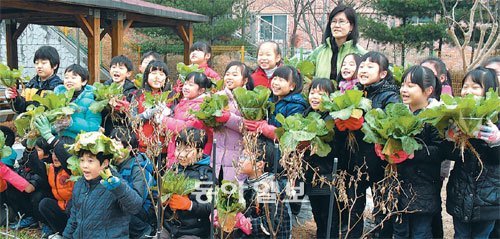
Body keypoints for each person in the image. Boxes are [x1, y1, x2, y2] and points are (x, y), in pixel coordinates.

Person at [445, 67, 499, 239]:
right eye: (465, 86)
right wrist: (450, 138)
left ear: (490, 91)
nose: (468, 91)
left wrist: (496, 142)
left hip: (488, 197)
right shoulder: (458, 115)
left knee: (482, 236)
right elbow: (449, 155)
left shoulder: (496, 118)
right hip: (461, 191)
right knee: (460, 234)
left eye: (475, 87)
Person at [392, 65, 443, 238]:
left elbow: (441, 151)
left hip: (424, 186)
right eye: (403, 85)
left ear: (428, 90)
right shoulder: (398, 113)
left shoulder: (435, 116)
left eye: (411, 85)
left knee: (420, 232)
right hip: (399, 184)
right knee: (399, 231)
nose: (404, 90)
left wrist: (415, 152)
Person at [63, 132, 143, 238]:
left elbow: (135, 207)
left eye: (90, 161)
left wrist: (119, 188)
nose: (84, 166)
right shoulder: (80, 184)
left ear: (105, 163)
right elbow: (74, 219)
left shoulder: (115, 183)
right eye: (82, 160)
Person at [230, 138, 291, 239]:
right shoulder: (247, 183)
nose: (240, 160)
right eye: (241, 156)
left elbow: (271, 226)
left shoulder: (270, 186)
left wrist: (245, 223)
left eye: (245, 157)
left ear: (260, 164)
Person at [302, 78, 339, 238]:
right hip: (311, 173)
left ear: (330, 98)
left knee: (328, 215)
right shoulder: (307, 113)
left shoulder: (333, 118)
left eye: (321, 94)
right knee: (317, 214)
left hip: (328, 173)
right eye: (312, 92)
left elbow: (335, 148)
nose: (315, 97)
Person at [162, 127, 214, 238]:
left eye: (187, 150)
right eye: (178, 148)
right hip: (168, 226)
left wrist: (189, 205)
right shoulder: (174, 169)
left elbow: (211, 206)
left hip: (193, 231)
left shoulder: (206, 175)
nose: (180, 154)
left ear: (200, 151)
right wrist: (163, 199)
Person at [111, 128, 156, 239]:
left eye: (117, 143)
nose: (112, 147)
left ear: (129, 148)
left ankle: (144, 232)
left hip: (142, 213)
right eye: (111, 142)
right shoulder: (113, 163)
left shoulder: (138, 167)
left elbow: (137, 201)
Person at [213, 61, 254, 182]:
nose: (229, 77)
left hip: (238, 156)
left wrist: (228, 118)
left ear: (245, 80)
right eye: (227, 74)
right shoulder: (217, 96)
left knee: (233, 195)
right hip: (216, 155)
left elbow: (251, 127)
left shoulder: (249, 99)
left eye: (235, 75)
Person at [162, 72, 214, 167]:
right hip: (177, 149)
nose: (185, 87)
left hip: (191, 153)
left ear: (201, 90)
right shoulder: (183, 102)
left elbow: (187, 128)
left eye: (191, 85)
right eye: (185, 84)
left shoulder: (203, 106)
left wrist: (164, 120)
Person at [308, 5, 366, 80]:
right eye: (334, 21)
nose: (337, 25)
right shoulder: (319, 52)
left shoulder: (360, 53)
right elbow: (303, 75)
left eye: (341, 21)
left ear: (351, 26)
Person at [36, 137, 75, 237]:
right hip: (61, 206)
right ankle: (60, 233)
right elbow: (34, 164)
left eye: (59, 153)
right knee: (44, 203)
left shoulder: (73, 170)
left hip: (73, 210)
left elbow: (66, 160)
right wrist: (29, 148)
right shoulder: (50, 168)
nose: (55, 156)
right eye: (54, 152)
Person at [5, 46, 63, 113]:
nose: (39, 66)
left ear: (55, 65)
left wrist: (27, 106)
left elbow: (45, 109)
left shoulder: (58, 87)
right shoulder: (30, 85)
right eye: (36, 63)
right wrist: (13, 97)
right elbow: (20, 108)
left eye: (43, 63)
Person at [51, 64, 101, 139]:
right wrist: (55, 127)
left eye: (73, 78)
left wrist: (72, 123)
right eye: (66, 77)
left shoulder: (91, 101)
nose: (69, 80)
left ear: (84, 82)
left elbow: (94, 126)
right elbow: (49, 124)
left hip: (77, 140)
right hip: (57, 137)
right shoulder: (57, 98)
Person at [102, 55, 138, 135]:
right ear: (109, 70)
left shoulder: (132, 91)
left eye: (121, 68)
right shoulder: (103, 88)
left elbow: (133, 116)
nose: (116, 70)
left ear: (128, 73)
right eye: (114, 67)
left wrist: (123, 108)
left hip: (123, 133)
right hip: (105, 130)